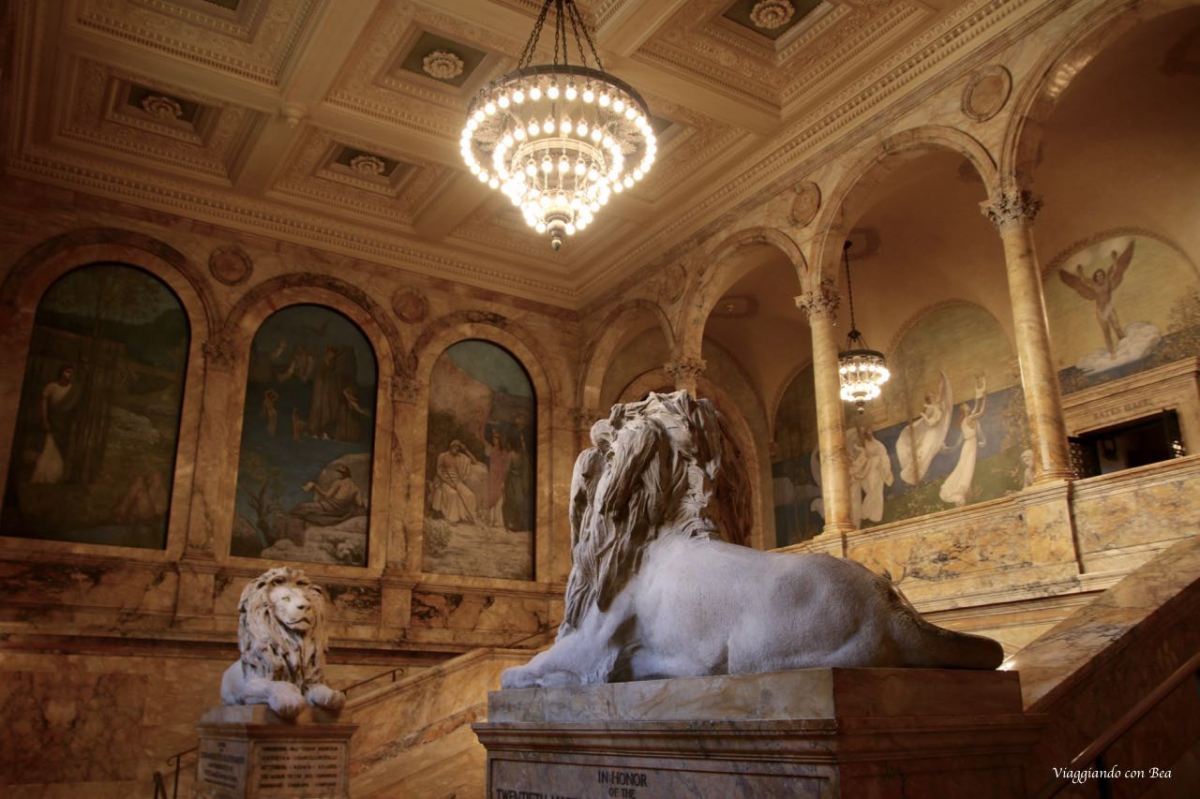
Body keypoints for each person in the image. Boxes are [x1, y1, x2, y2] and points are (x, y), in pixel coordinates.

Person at [1058, 240, 1134, 356]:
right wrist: (1080, 271)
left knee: (1117, 327)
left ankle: (1126, 346)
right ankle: (1112, 353)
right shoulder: (1093, 285)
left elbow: (1115, 268)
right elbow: (1083, 280)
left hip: (1109, 308)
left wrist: (1114, 258)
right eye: (1097, 276)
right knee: (1106, 332)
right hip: (1100, 311)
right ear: (1095, 277)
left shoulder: (1108, 281)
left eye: (1101, 275)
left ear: (1103, 275)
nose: (1100, 277)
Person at [939, 376, 988, 507]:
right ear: (965, 410)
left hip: (968, 445)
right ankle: (962, 491)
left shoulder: (964, 422)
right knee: (967, 467)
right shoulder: (969, 419)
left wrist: (950, 448)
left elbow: (959, 442)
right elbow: (981, 411)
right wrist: (984, 398)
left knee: (963, 466)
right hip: (970, 445)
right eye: (966, 406)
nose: (967, 406)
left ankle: (962, 491)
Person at [896, 371, 952, 485]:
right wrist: (925, 416)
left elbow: (940, 393)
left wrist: (943, 380)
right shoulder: (930, 407)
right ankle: (913, 473)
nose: (934, 395)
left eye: (933, 395)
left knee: (925, 454)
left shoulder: (936, 405)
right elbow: (930, 423)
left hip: (933, 433)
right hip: (930, 433)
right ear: (930, 399)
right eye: (931, 396)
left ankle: (917, 474)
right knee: (921, 453)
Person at [30, 364, 76, 484]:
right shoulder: (52, 386)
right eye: (67, 371)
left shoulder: (72, 390)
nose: (69, 375)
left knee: (59, 449)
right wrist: (45, 419)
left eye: (71, 373)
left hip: (64, 425)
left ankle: (54, 476)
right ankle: (42, 475)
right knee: (48, 446)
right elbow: (44, 404)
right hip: (52, 421)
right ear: (61, 372)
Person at [290, 463, 367, 527]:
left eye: (338, 472)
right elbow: (360, 504)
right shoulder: (356, 488)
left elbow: (327, 496)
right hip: (340, 510)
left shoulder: (339, 482)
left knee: (301, 506)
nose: (337, 474)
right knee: (306, 509)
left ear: (342, 474)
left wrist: (315, 487)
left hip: (330, 506)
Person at [430, 440, 480, 525]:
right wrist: (449, 483)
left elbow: (475, 461)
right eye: (455, 446)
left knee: (470, 495)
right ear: (451, 446)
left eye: (458, 447)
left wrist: (466, 450)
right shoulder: (443, 456)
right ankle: (452, 518)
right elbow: (439, 471)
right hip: (444, 481)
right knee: (453, 494)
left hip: (457, 481)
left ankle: (468, 516)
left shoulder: (461, 457)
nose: (456, 448)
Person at [483, 429, 513, 528]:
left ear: (500, 440)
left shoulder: (504, 452)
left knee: (499, 497)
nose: (495, 440)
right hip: (492, 475)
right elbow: (487, 459)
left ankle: (496, 520)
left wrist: (503, 480)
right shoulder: (491, 449)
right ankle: (490, 520)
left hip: (500, 475)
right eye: (494, 438)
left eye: (496, 438)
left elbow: (506, 467)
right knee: (491, 496)